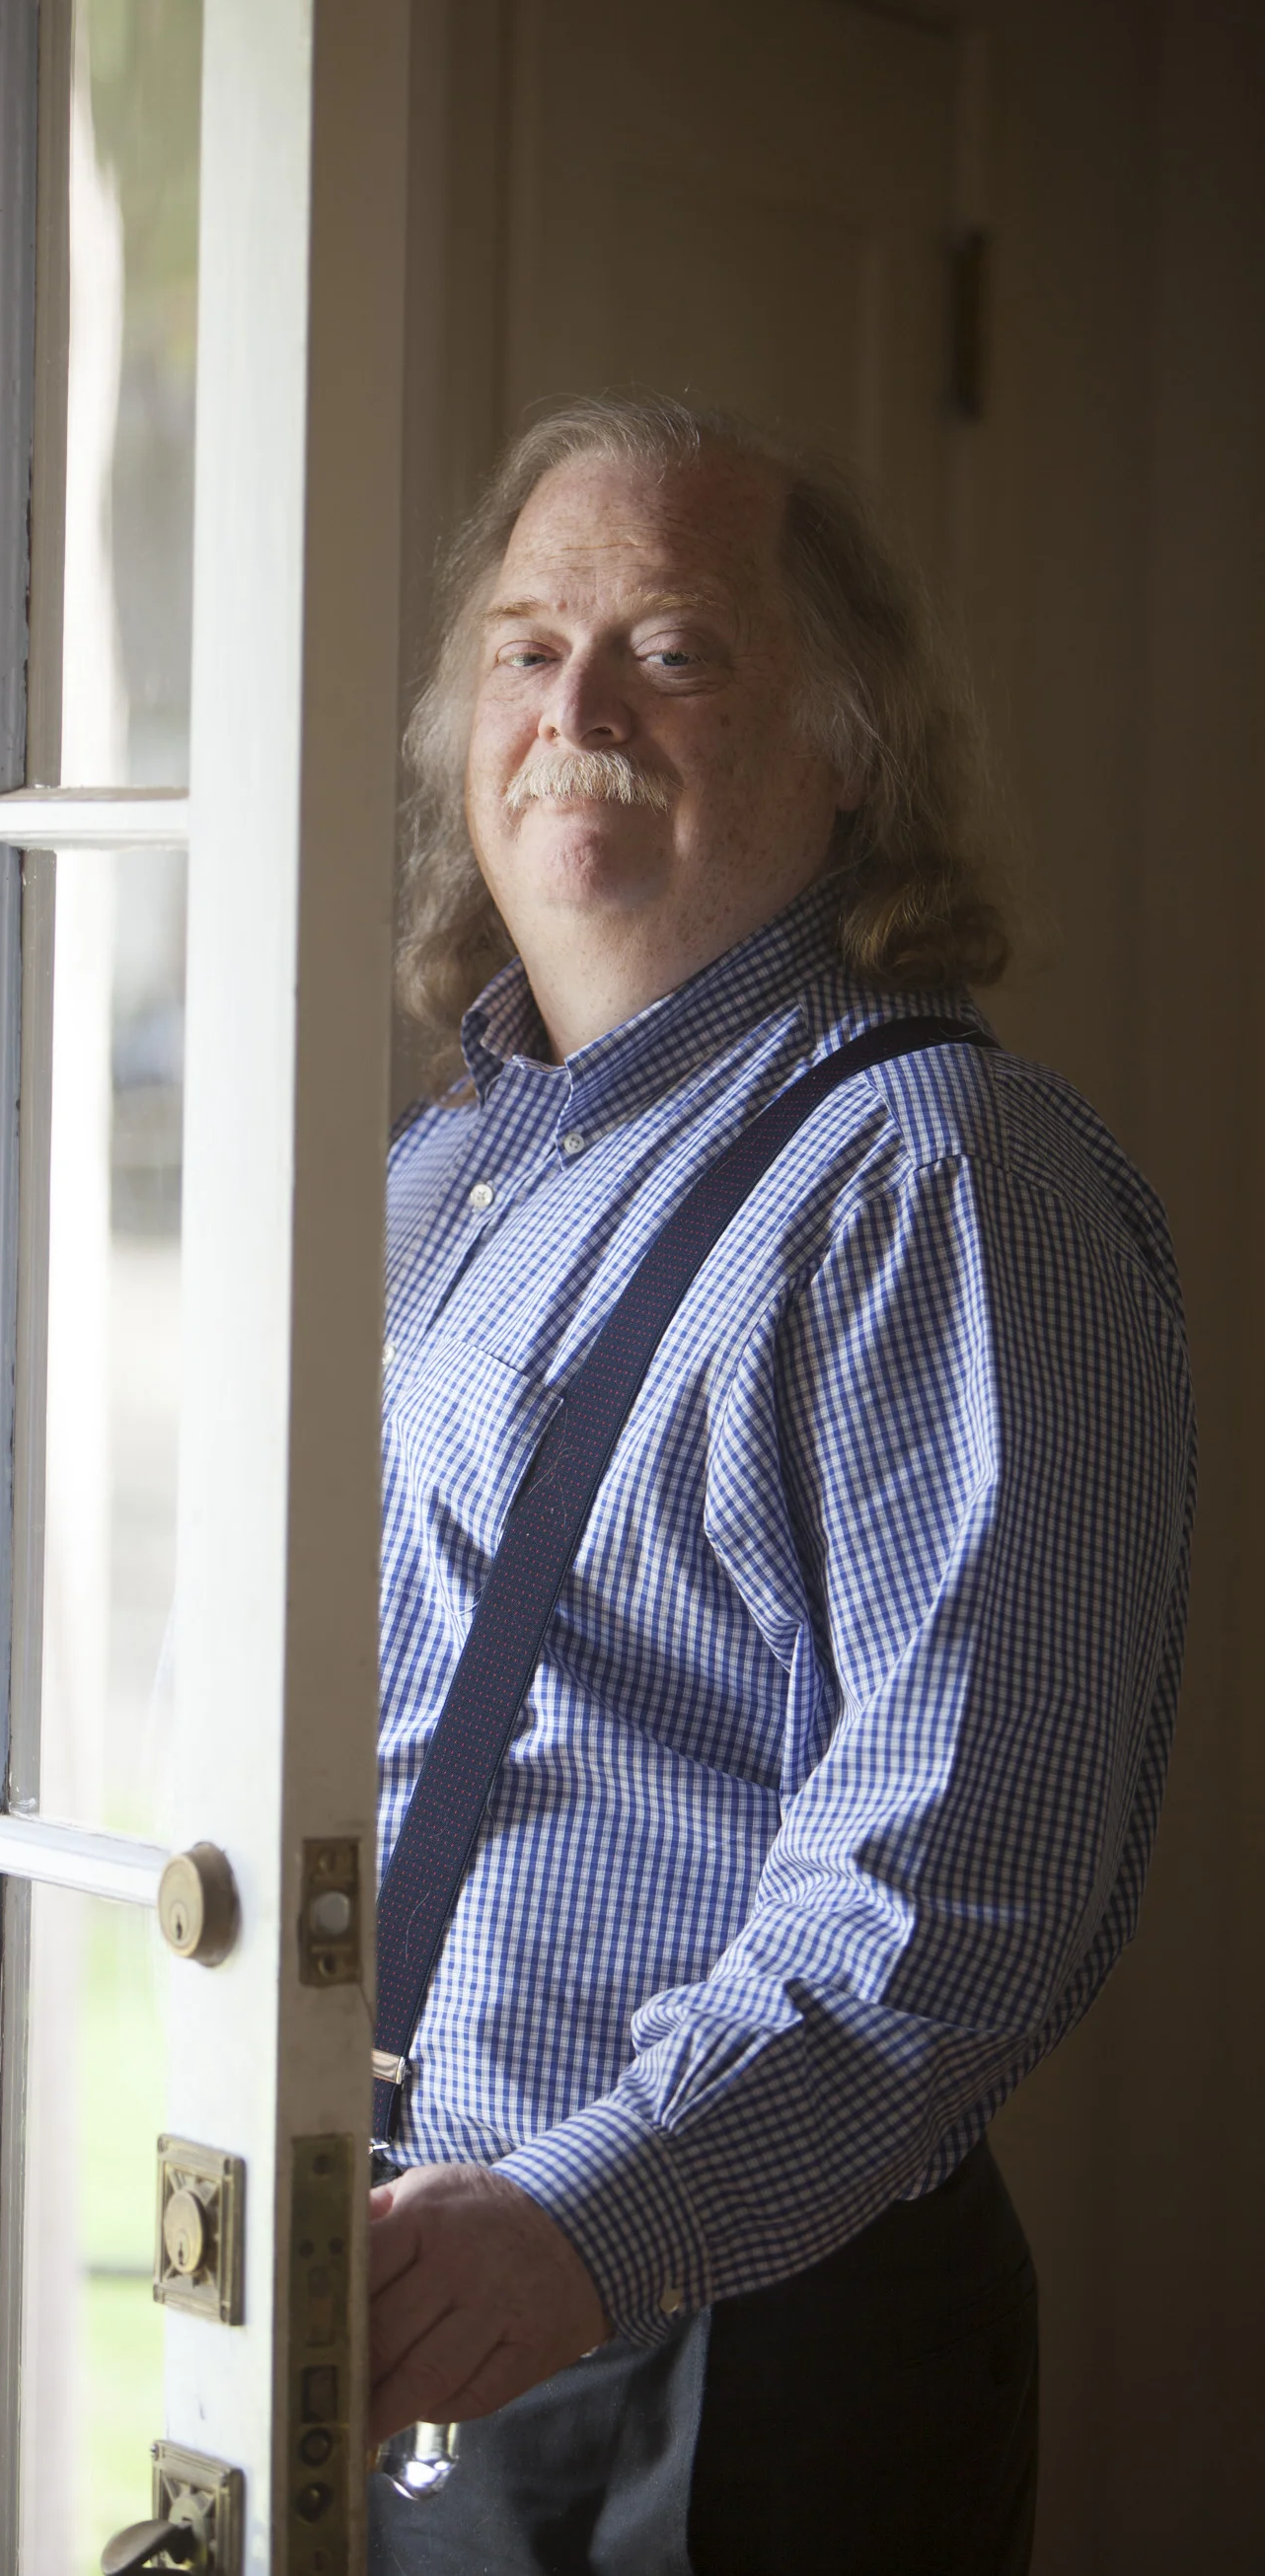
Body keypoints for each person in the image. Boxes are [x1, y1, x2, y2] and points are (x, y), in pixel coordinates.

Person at [365, 396, 1195, 2575]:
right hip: (408, 2276)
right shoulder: (446, 1172)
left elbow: (963, 1876)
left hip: (724, 2339)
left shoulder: (948, 1181)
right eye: (529, 648)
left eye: (677, 648)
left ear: (853, 754)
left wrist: (581, 2221)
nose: (580, 707)